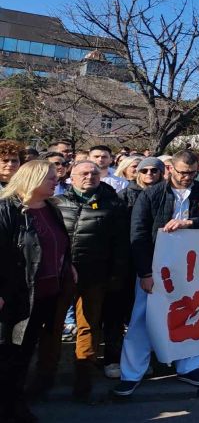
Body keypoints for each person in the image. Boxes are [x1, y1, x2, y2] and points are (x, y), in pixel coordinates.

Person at [113, 151, 199, 397]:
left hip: (193, 267)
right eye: (183, 172)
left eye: (192, 173)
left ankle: (189, 367)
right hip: (155, 266)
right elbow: (139, 235)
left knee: (193, 312)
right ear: (170, 170)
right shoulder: (151, 195)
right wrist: (144, 273)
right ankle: (132, 374)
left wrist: (192, 223)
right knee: (142, 320)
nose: (187, 177)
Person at [0, 161, 74, 422]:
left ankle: (15, 406)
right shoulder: (7, 210)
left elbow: (59, 244)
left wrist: (68, 266)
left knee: (23, 356)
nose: (57, 180)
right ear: (33, 178)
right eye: (51, 178)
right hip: (14, 298)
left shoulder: (50, 209)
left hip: (46, 295)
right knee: (8, 357)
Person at [50, 160, 127, 399]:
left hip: (95, 275)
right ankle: (45, 374)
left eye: (94, 173)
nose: (89, 177)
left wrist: (116, 274)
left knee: (88, 325)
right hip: (60, 276)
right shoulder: (56, 204)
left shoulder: (113, 204)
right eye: (83, 173)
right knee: (52, 326)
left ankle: (83, 375)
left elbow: (120, 244)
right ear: (71, 177)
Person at [103, 157, 165, 381]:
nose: (150, 173)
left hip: (153, 262)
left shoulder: (166, 195)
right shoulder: (123, 197)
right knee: (118, 312)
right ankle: (112, 358)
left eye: (155, 170)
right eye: (145, 170)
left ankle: (142, 359)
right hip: (125, 263)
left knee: (145, 315)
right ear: (135, 173)